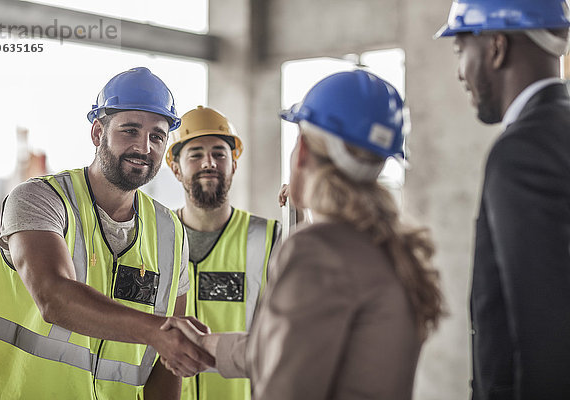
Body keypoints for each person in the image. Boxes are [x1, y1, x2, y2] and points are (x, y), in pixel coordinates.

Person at [162, 70, 444, 399]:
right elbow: (296, 347)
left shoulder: (316, 249)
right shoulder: (390, 244)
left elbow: (287, 383)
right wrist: (207, 344)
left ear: (305, 151)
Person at [0, 67, 214, 400]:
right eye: (130, 130)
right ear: (98, 133)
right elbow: (53, 297)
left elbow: (166, 361)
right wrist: (157, 332)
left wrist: (168, 339)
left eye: (157, 136)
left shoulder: (170, 231)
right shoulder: (40, 199)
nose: (144, 147)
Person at [435, 1, 570, 398]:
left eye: (461, 51)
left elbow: (545, 332)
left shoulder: (521, 152)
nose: (460, 73)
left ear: (496, 47)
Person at [165, 105, 280, 400]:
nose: (209, 163)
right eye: (195, 154)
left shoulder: (270, 238)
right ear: (176, 168)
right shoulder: (155, 235)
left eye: (219, 153)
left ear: (234, 164)